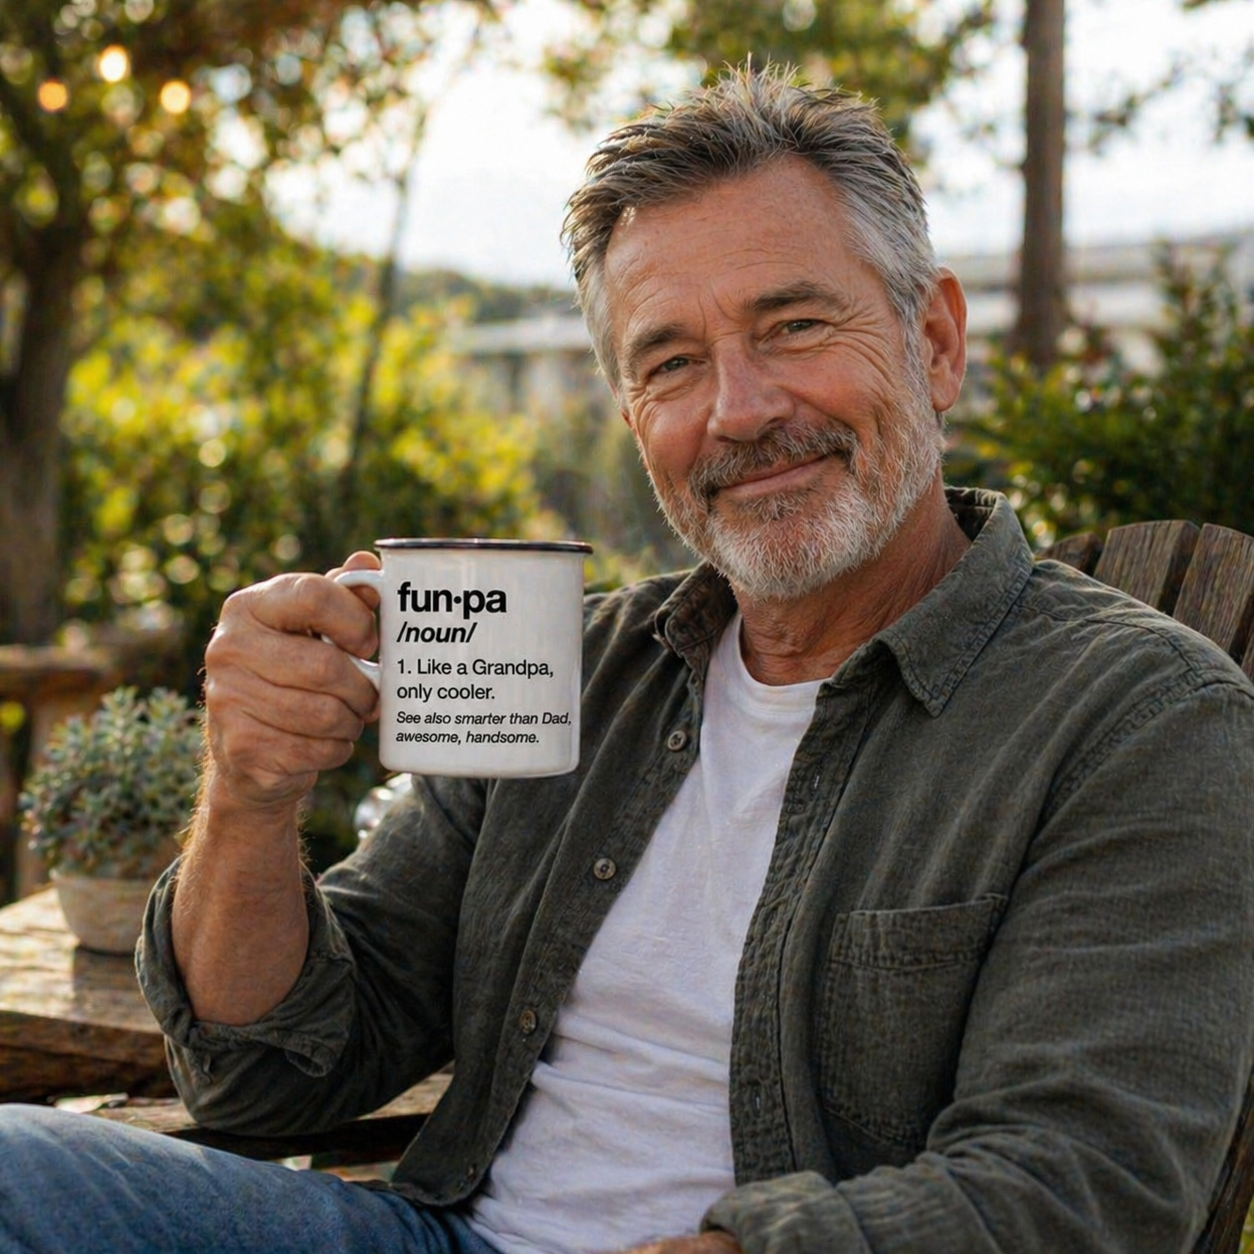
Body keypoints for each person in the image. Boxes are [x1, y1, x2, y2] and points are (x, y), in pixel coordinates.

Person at [3, 65, 1253, 1254]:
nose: (739, 409)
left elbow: (1084, 1189)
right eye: (671, 363)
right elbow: (270, 1070)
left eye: (794, 325)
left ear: (932, 341)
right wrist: (250, 793)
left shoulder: (1140, 720)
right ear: (631, 414)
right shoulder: (575, 671)